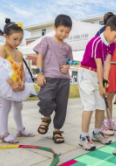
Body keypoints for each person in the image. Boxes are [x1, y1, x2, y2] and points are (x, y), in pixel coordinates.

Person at [78, 15, 116, 151]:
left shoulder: (112, 44)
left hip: (98, 75)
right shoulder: (96, 42)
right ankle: (83, 136)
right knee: (90, 105)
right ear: (108, 29)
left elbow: (107, 63)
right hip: (87, 74)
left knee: (100, 105)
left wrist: (104, 83)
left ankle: (97, 132)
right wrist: (100, 85)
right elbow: (99, 64)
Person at [0, 19, 35, 143]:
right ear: (6, 36)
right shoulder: (2, 50)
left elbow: (22, 69)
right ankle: (4, 133)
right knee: (5, 108)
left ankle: (20, 129)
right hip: (6, 84)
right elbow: (0, 69)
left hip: (17, 85)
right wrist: (11, 83)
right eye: (15, 39)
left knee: (19, 107)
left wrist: (23, 82)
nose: (18, 42)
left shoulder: (19, 52)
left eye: (20, 39)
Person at [34, 15, 73, 144]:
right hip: (48, 78)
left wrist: (67, 66)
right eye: (61, 30)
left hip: (64, 80)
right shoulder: (46, 40)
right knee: (45, 99)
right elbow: (39, 57)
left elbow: (70, 60)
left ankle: (57, 130)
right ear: (54, 28)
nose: (64, 34)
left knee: (62, 106)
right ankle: (46, 117)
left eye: (67, 32)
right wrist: (39, 74)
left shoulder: (68, 47)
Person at [95, 13, 116, 134]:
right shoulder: (103, 31)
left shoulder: (115, 33)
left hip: (113, 64)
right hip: (105, 65)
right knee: (104, 96)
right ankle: (101, 124)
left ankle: (108, 121)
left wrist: (115, 54)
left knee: (110, 96)